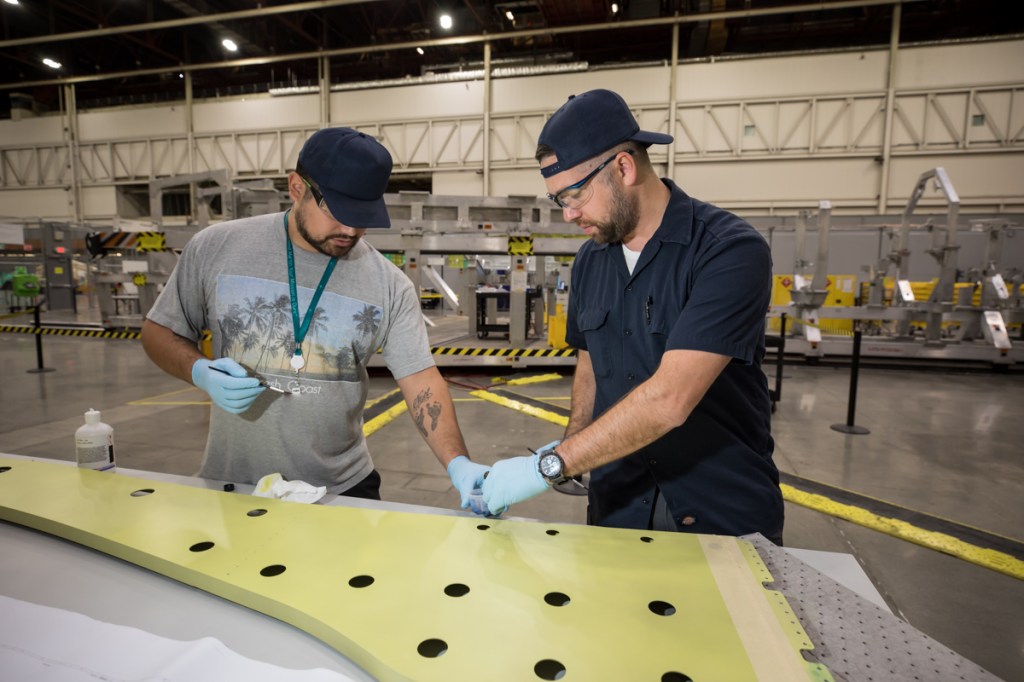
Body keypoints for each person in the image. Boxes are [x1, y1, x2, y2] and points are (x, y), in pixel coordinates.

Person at [480, 89, 784, 544]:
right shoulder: (589, 260)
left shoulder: (729, 250)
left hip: (716, 509)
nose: (568, 213)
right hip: (618, 504)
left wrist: (548, 467)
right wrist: (574, 448)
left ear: (623, 167)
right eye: (556, 199)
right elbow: (590, 363)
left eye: (574, 193)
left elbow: (668, 400)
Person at [141, 127, 490, 506]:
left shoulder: (390, 285)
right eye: (338, 212)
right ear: (296, 187)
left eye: (363, 217)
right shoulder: (217, 248)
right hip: (233, 487)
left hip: (342, 491)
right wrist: (198, 371)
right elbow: (160, 330)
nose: (350, 230)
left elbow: (421, 378)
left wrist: (459, 464)